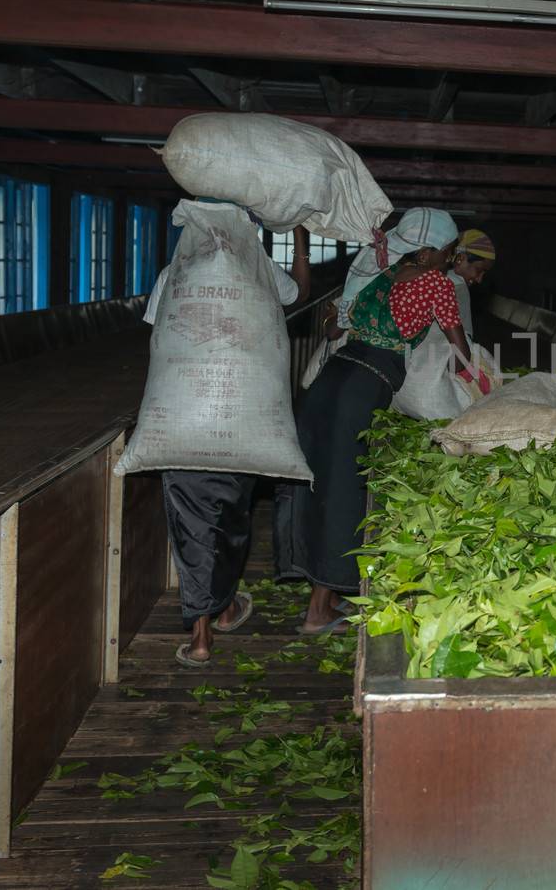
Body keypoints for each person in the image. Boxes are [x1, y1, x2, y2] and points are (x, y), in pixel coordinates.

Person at [274, 207, 491, 635]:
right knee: (343, 494)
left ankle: (328, 596)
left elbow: (334, 332)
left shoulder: (374, 272)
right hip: (363, 387)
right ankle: (317, 612)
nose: (451, 260)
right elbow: (458, 345)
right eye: (448, 252)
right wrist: (479, 388)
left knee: (316, 483)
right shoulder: (437, 283)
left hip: (328, 384)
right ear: (427, 253)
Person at [150, 216, 311, 667]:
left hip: (184, 414)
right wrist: (299, 236)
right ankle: (220, 612)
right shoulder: (258, 268)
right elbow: (300, 292)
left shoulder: (174, 274)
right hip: (239, 418)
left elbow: (159, 337)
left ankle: (205, 628)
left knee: (191, 527)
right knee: (228, 521)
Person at [448, 229, 496, 339]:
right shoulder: (459, 288)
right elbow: (464, 341)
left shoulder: (431, 280)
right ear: (460, 259)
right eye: (479, 270)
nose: (479, 280)